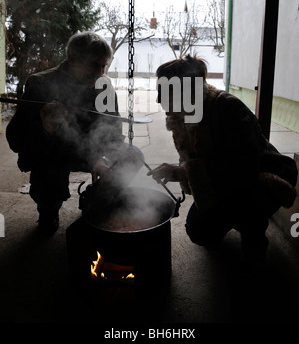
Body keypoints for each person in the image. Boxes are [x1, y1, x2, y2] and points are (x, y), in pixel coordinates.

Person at [147, 55, 298, 275]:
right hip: (226, 180)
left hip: (263, 177)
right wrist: (184, 171)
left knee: (245, 207)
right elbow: (191, 159)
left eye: (166, 91)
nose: (159, 99)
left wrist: (183, 172)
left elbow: (245, 168)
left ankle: (254, 235)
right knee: (199, 232)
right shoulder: (185, 115)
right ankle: (231, 216)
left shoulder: (227, 108)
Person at [6, 32, 143, 233]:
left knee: (132, 155)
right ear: (72, 59)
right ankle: (48, 210)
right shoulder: (40, 84)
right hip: (52, 153)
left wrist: (101, 157)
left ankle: (97, 197)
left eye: (104, 65)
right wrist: (45, 126)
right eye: (94, 65)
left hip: (90, 151)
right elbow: (16, 140)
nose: (100, 72)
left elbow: (113, 132)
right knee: (47, 178)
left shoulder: (103, 86)